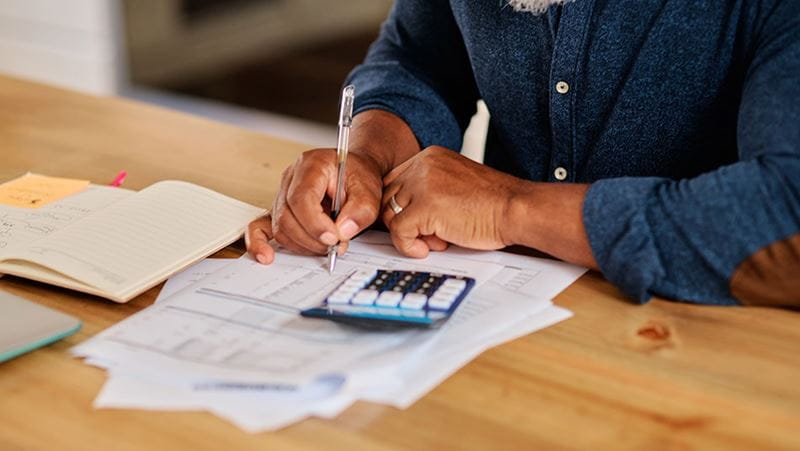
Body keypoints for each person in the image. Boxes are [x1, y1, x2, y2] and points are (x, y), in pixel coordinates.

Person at [246, 0, 800, 307]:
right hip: (498, 316)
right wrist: (365, 158)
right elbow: (417, 59)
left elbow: (786, 215)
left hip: (713, 347)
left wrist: (511, 207)